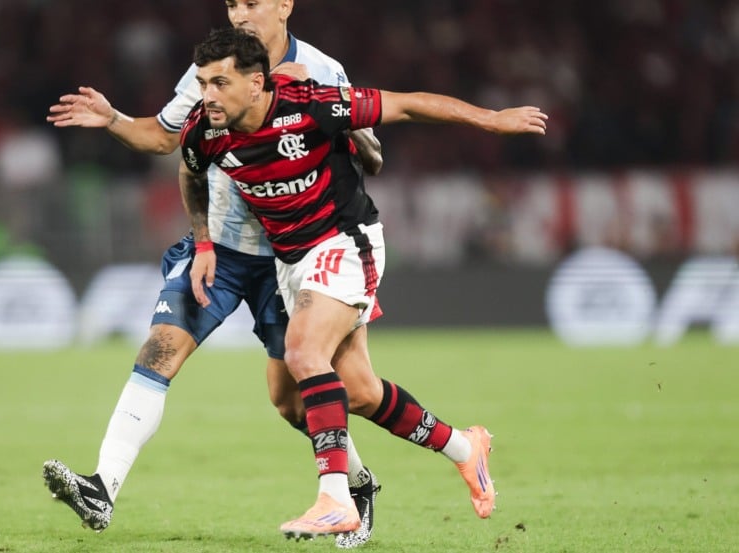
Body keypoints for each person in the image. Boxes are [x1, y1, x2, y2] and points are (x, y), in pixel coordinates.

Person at [177, 27, 548, 538]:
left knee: (304, 353)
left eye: (220, 82)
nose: (208, 95)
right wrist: (202, 243)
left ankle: (336, 499)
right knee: (325, 397)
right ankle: (466, 447)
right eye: (202, 83)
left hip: (344, 241)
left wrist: (492, 119)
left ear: (257, 83)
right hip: (290, 262)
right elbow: (191, 174)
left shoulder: (311, 106)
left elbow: (410, 106)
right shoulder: (204, 129)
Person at [42, 1, 385, 548]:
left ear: (284, 5)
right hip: (219, 251)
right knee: (160, 348)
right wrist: (113, 120)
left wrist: (348, 131)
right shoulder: (212, 69)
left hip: (293, 254)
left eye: (252, 2)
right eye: (232, 3)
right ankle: (102, 486)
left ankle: (357, 484)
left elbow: (372, 160)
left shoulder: (323, 72)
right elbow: (168, 139)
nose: (241, 13)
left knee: (294, 399)